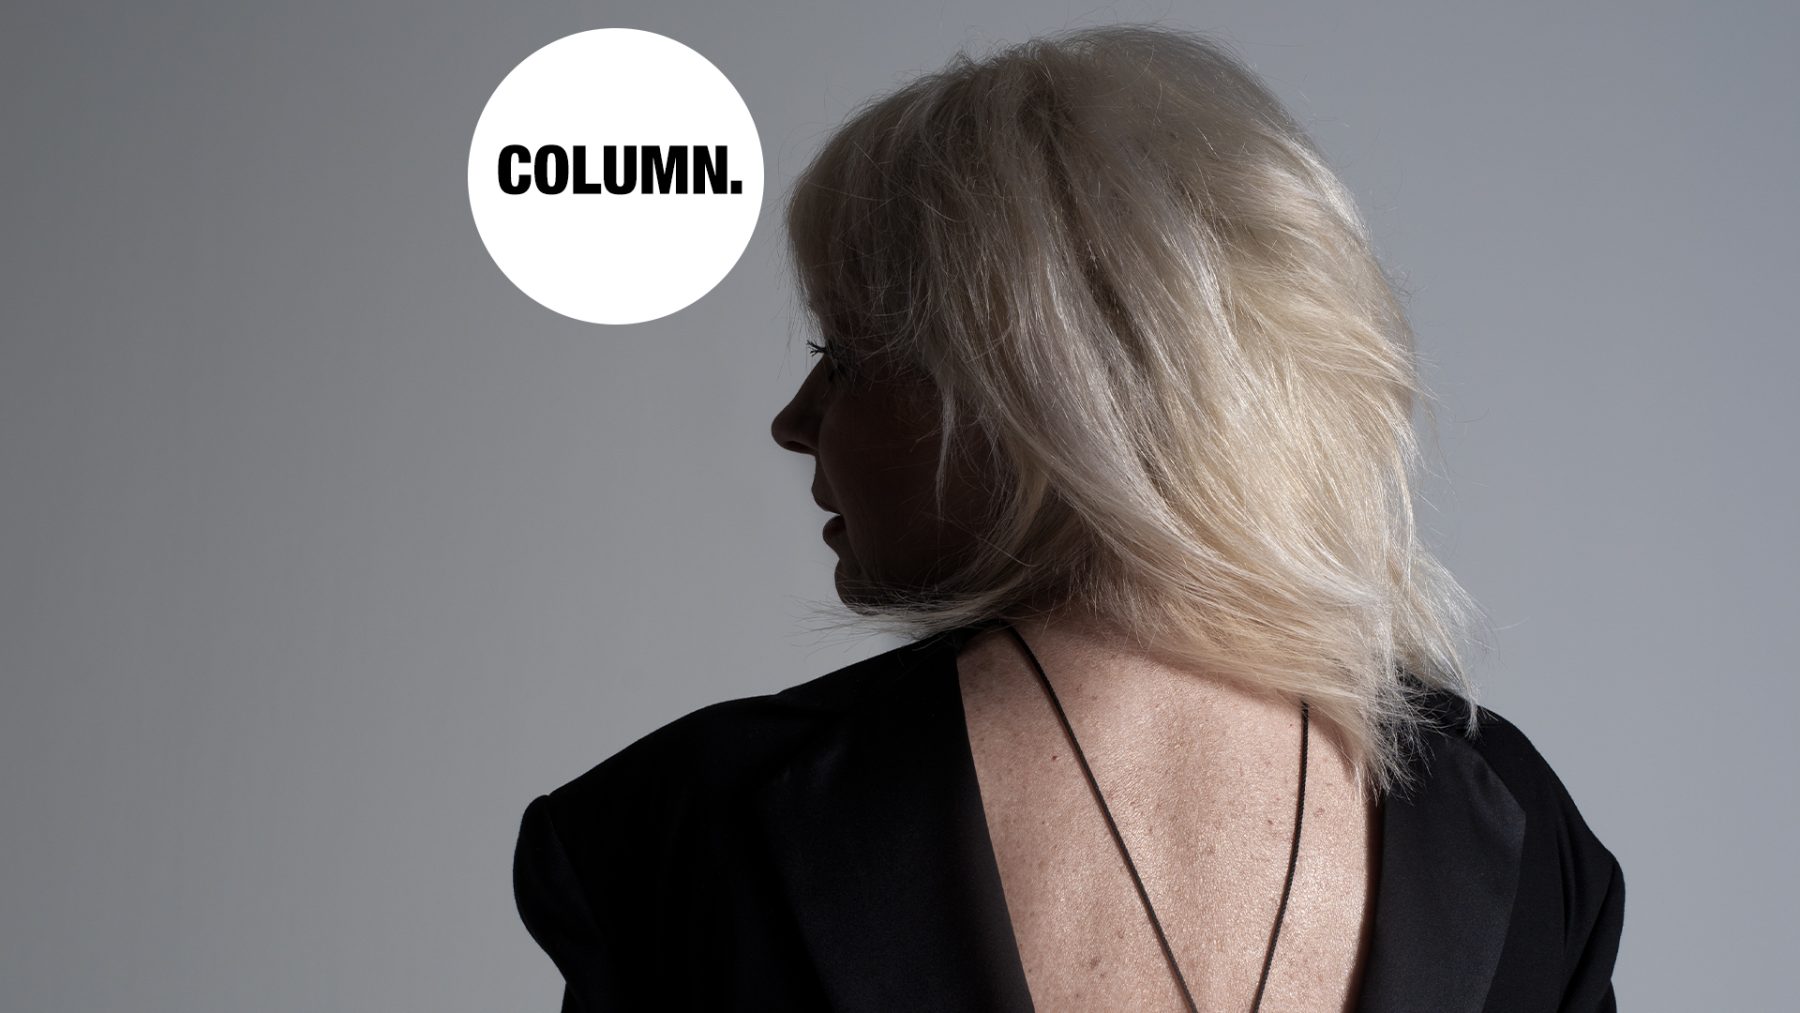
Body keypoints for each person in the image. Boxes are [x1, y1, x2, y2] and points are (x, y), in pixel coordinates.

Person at [513, 23, 1624, 1012]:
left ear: (1027, 393)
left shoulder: (692, 834)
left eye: (840, 356)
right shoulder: (1512, 821)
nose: (794, 420)